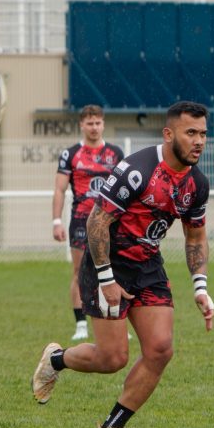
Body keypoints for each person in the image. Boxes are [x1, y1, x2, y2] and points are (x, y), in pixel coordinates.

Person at [32, 101, 214, 428]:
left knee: (161, 349)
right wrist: (106, 279)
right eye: (191, 132)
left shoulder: (197, 184)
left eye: (203, 133)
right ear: (168, 133)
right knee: (112, 357)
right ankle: (56, 360)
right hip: (107, 262)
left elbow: (195, 236)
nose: (199, 141)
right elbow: (96, 221)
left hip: (147, 266)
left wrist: (201, 287)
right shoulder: (138, 169)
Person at [52, 105, 125, 341]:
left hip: (111, 221)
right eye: (89, 123)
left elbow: (126, 190)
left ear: (103, 124)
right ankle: (81, 324)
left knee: (117, 269)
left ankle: (116, 317)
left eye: (98, 123)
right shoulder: (70, 154)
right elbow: (59, 189)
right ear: (82, 125)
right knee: (79, 272)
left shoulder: (115, 153)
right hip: (81, 221)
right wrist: (56, 221)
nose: (94, 127)